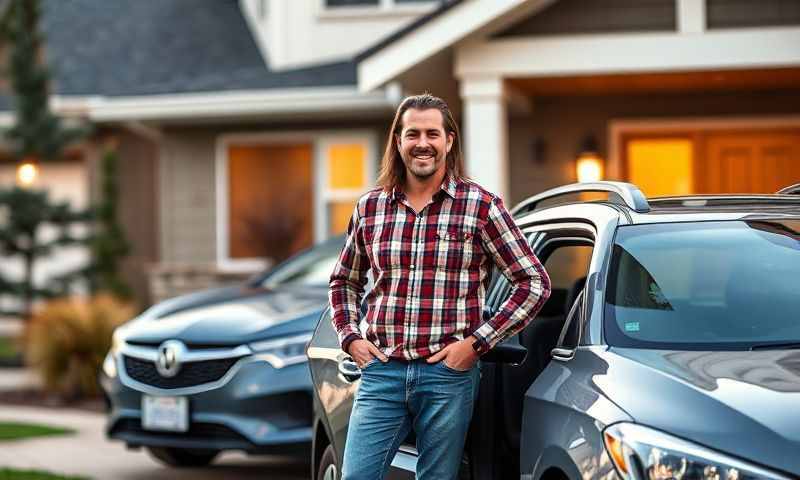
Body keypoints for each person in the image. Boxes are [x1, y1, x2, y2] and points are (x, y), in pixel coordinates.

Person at [329, 93, 551, 480]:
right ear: (397, 141)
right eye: (412, 133)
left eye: (433, 133)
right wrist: (350, 337)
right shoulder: (370, 208)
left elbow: (533, 282)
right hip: (383, 372)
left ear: (449, 140)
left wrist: (476, 345)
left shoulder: (481, 207)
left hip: (448, 375)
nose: (422, 143)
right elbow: (343, 280)